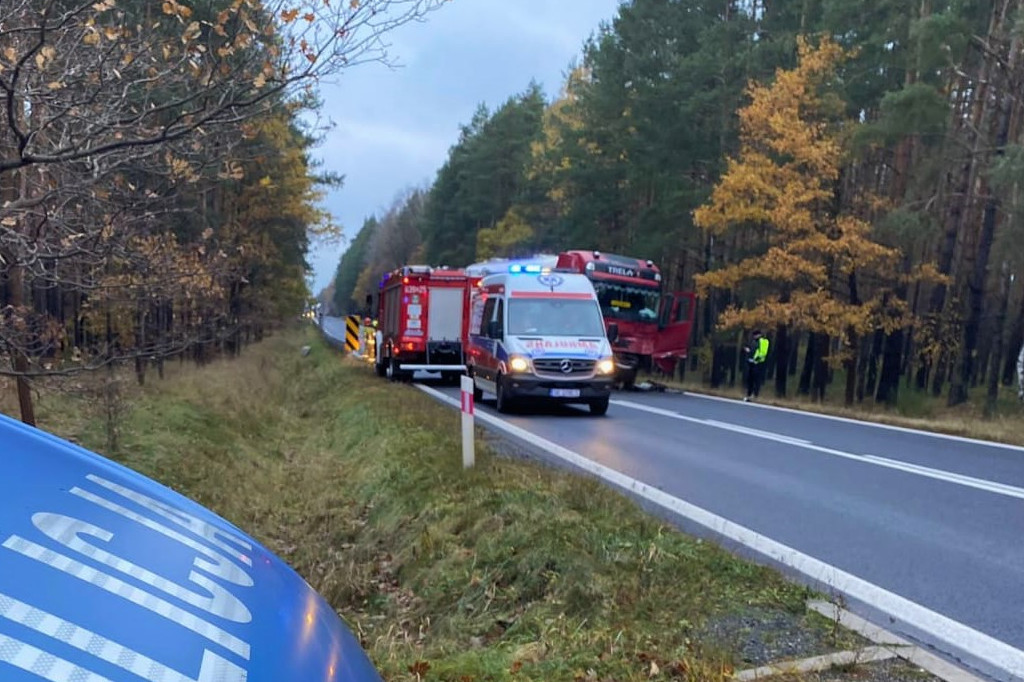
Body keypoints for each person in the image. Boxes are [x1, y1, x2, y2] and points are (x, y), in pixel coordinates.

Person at [743, 330, 770, 402]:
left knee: (756, 380)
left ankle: (755, 395)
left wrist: (757, 359)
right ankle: (749, 395)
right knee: (750, 379)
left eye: (755, 335)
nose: (754, 336)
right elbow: (753, 350)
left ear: (759, 335)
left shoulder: (763, 341)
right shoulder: (753, 341)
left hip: (758, 363)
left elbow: (763, 352)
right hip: (751, 362)